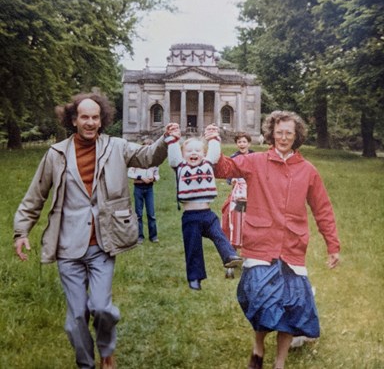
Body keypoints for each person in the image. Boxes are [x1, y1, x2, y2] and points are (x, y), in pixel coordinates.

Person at [13, 92, 179, 369]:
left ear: (102, 120)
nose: (90, 122)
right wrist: (21, 232)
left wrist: (164, 140)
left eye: (95, 117)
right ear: (73, 120)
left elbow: (146, 156)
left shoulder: (116, 147)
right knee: (76, 317)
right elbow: (35, 196)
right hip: (68, 247)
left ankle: (106, 350)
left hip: (103, 243)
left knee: (102, 308)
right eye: (84, 117)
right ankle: (86, 364)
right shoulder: (55, 154)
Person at [205, 111, 340, 369]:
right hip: (260, 245)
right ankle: (258, 348)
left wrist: (332, 245)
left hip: (292, 248)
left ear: (297, 136)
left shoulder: (308, 171)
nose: (284, 137)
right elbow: (224, 168)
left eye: (289, 133)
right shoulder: (255, 161)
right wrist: (214, 143)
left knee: (292, 308)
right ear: (271, 133)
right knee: (261, 302)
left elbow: (322, 209)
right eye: (279, 132)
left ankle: (279, 363)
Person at [166, 129, 243, 291]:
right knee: (193, 247)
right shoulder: (180, 166)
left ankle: (229, 256)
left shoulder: (208, 164)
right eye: (189, 151)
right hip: (190, 216)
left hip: (207, 214)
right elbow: (173, 157)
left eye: (198, 150)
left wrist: (213, 137)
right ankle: (195, 278)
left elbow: (214, 153)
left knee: (219, 234)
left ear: (204, 153)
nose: (193, 153)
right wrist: (173, 139)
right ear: (183, 154)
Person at [221, 132, 255, 278]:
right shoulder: (234, 158)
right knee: (232, 220)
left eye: (244, 142)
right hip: (237, 194)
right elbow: (228, 176)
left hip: (252, 194)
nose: (242, 144)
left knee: (250, 223)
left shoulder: (255, 158)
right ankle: (232, 253)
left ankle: (251, 255)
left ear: (249, 143)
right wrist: (233, 180)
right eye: (239, 142)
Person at [128, 138, 160, 244]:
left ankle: (153, 236)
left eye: (149, 147)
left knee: (151, 213)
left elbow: (157, 174)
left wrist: (154, 178)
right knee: (139, 214)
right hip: (138, 188)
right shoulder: (136, 160)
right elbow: (130, 173)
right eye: (145, 146)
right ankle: (139, 236)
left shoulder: (154, 162)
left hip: (149, 188)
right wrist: (140, 177)